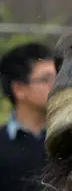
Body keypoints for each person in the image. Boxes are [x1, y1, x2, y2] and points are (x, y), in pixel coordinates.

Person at [0, 42, 56, 191]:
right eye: (46, 79)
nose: (57, 85)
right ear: (19, 89)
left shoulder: (67, 141)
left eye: (58, 77)